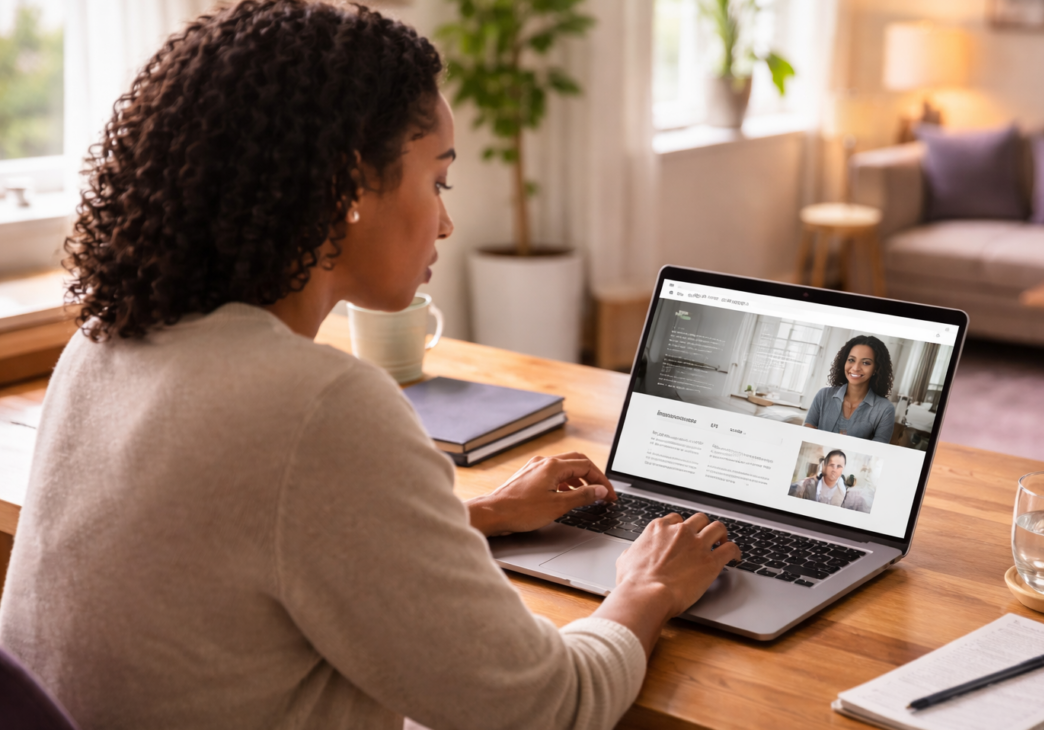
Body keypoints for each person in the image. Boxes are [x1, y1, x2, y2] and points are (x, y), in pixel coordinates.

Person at [0, 3, 740, 729]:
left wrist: (476, 515)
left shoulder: (103, 342)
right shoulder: (316, 407)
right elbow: (546, 707)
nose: (446, 221)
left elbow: (244, 544)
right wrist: (646, 589)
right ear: (349, 188)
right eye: (438, 181)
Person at [804, 335, 896, 443]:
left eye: (866, 362)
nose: (856, 368)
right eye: (851, 360)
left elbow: (877, 453)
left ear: (876, 368)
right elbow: (806, 437)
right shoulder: (823, 395)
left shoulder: (885, 410)